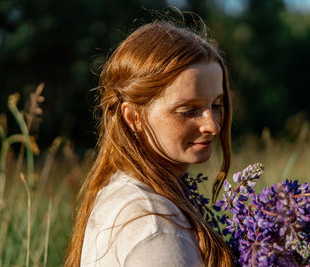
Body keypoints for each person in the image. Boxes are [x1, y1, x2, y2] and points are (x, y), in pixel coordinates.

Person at [65, 19, 233, 267]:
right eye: (188, 110)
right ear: (133, 117)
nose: (212, 126)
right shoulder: (155, 226)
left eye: (216, 106)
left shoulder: (126, 191)